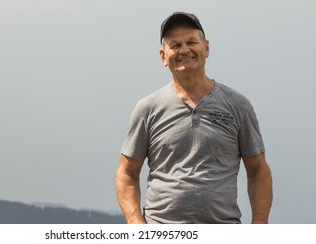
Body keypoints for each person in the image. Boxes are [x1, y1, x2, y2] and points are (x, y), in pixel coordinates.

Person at [116, 12, 273, 224]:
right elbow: (127, 173)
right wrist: (136, 224)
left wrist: (260, 225)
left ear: (206, 48)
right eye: (175, 45)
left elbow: (258, 170)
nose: (184, 50)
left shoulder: (238, 106)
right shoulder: (147, 108)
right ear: (163, 56)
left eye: (191, 42)